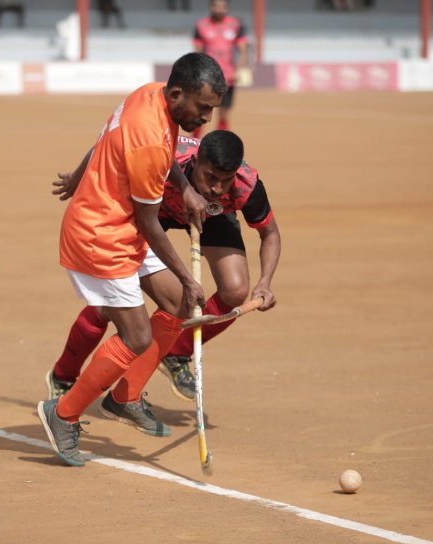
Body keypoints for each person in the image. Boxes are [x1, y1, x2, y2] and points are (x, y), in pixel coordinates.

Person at [37, 52, 227, 467]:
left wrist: (186, 189)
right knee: (139, 336)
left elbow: (122, 145)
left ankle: (124, 397)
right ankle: (63, 412)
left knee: (176, 302)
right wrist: (188, 276)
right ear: (178, 94)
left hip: (118, 224)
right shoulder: (150, 138)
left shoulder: (150, 95)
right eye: (203, 108)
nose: (207, 119)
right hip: (102, 237)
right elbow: (149, 222)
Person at [46, 130, 280, 404]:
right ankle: (63, 375)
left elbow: (270, 234)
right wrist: (77, 177)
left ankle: (176, 354)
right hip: (153, 211)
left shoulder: (245, 184)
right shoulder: (169, 158)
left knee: (235, 290)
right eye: (210, 177)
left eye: (225, 181)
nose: (217, 188)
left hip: (213, 215)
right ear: (196, 162)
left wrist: (265, 281)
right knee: (109, 304)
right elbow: (106, 145)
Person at [192, 0, 248, 137]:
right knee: (201, 111)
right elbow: (197, 52)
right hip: (207, 78)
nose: (219, 9)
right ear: (211, 7)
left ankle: (220, 143)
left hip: (228, 76)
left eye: (222, 6)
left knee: (224, 112)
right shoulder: (201, 25)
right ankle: (194, 143)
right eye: (216, 6)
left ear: (227, 8)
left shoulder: (235, 25)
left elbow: (243, 50)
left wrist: (238, 70)